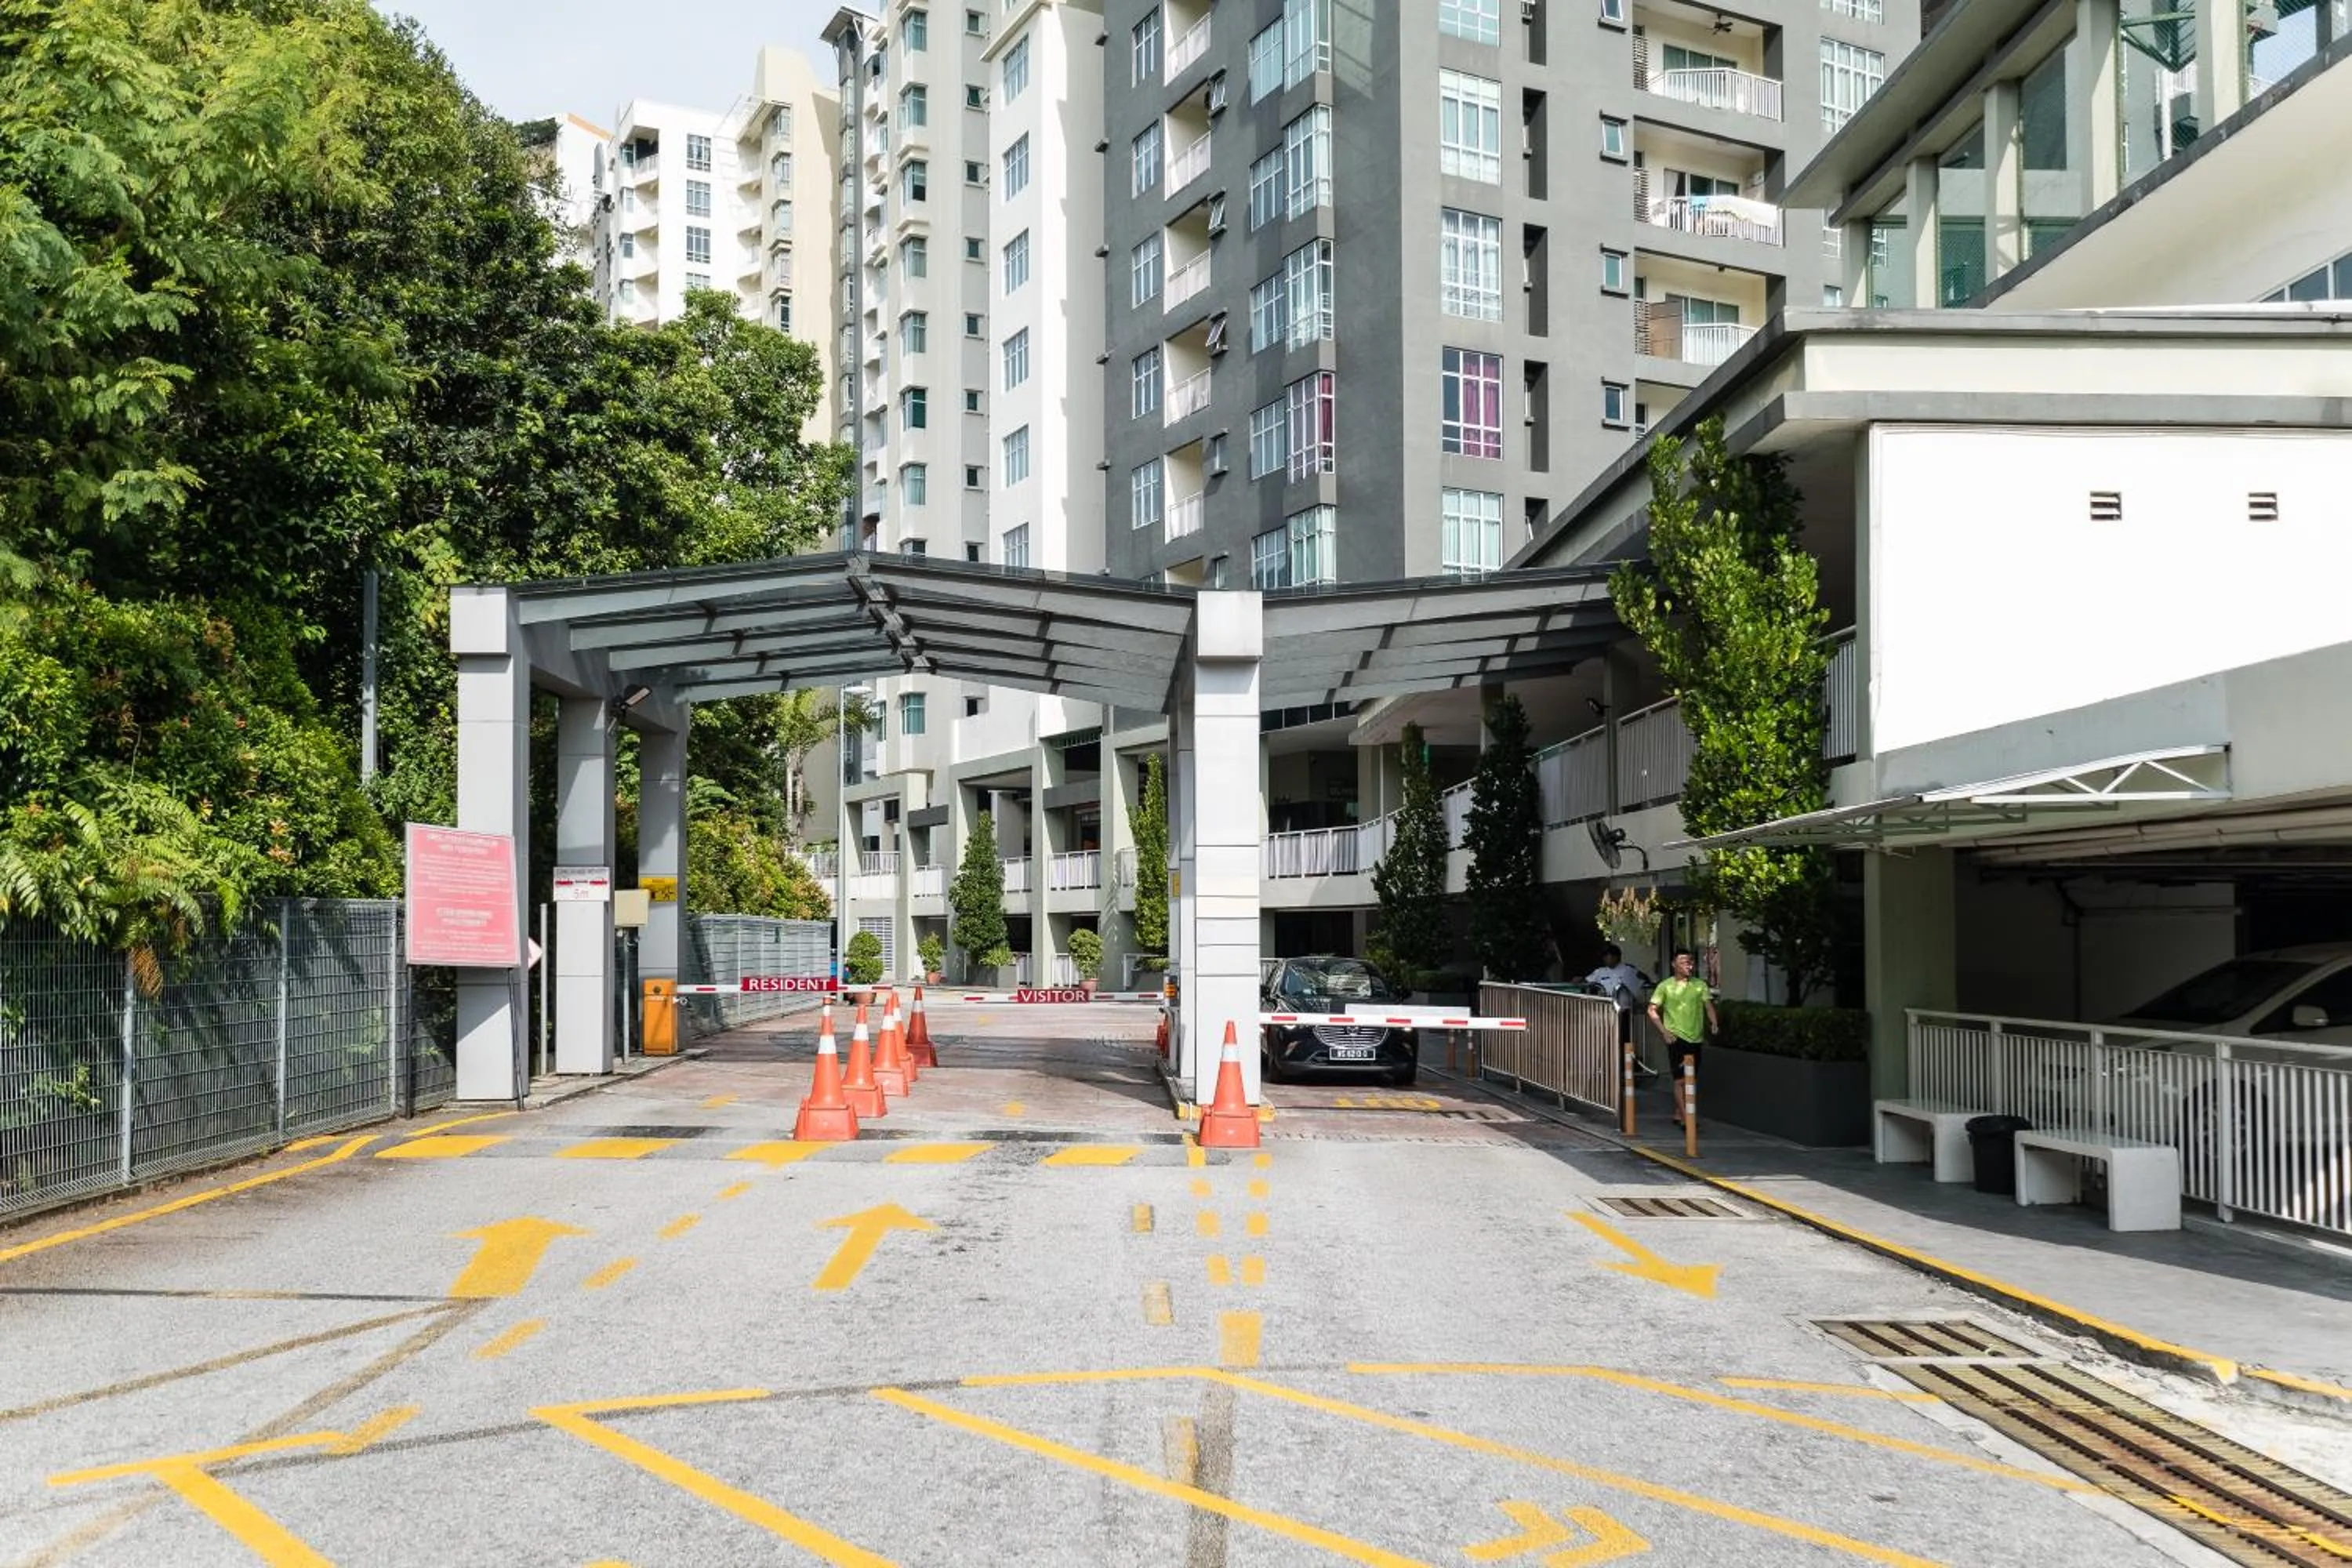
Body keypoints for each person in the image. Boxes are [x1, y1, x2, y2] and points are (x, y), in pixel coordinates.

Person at [1646, 948, 1719, 1129]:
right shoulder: (1665, 986)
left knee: (1691, 1080)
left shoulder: (1699, 985)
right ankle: (1687, 1119)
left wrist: (1714, 1022)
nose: (1689, 965)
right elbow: (1652, 1009)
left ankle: (1679, 1113)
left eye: (1691, 962)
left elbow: (1708, 1005)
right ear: (1674, 964)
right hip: (1676, 1038)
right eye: (1684, 962)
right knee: (1680, 1080)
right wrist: (1664, 1031)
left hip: (1696, 1038)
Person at [1584, 945, 1653, 1076]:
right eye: (1604, 956)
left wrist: (1641, 976)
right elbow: (1586, 981)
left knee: (1624, 1041)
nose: (1606, 959)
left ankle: (1624, 1070)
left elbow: (1645, 980)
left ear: (1616, 957)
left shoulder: (1628, 970)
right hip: (1605, 1012)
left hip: (1624, 1012)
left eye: (1609, 956)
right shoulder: (1600, 972)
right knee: (1605, 1041)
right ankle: (1606, 1069)